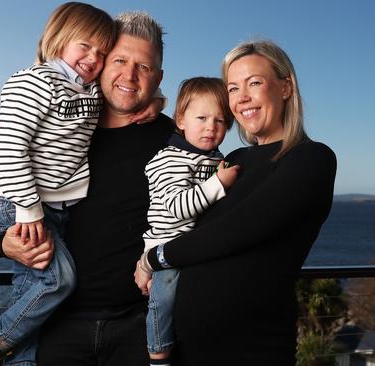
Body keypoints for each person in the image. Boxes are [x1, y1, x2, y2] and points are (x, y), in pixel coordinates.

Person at [0, 10, 171, 366]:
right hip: (58, 325)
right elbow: (2, 202)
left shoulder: (175, 140)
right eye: (119, 60)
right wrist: (3, 243)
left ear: (158, 77)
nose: (129, 75)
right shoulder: (63, 124)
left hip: (137, 326)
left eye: (143, 67)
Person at [135, 40, 337, 366]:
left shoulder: (311, 158)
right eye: (232, 88)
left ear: (285, 87)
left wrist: (153, 258)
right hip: (187, 349)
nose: (241, 97)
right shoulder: (232, 160)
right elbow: (183, 180)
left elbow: (236, 229)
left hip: (250, 347)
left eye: (254, 83)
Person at [0, 3, 117, 366]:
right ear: (58, 39)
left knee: (32, 289)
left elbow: (117, 102)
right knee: (56, 282)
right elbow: (11, 150)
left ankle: (13, 356)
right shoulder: (34, 81)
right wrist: (29, 210)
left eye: (103, 53)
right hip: (17, 203)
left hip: (53, 207)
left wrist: (151, 105)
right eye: (85, 46)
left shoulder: (87, 91)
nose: (93, 58)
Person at [143, 77, 239, 366]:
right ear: (181, 120)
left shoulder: (213, 159)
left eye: (221, 120)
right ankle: (157, 353)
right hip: (168, 244)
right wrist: (219, 184)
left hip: (197, 249)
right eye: (202, 118)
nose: (212, 127)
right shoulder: (171, 160)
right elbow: (177, 207)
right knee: (164, 295)